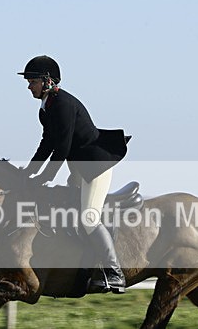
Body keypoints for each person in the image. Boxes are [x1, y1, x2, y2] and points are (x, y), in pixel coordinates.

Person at [18, 55, 129, 294]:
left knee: (89, 218)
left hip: (95, 167)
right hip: (79, 168)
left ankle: (114, 272)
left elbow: (63, 147)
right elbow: (47, 144)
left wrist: (46, 175)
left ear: (47, 81)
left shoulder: (62, 104)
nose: (28, 86)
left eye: (32, 81)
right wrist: (28, 171)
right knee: (68, 207)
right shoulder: (46, 108)